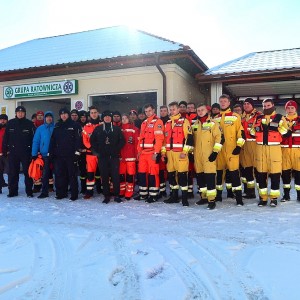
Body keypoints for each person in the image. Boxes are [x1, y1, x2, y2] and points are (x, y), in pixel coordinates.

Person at [250, 98, 290, 207]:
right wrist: (257, 129)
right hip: (260, 149)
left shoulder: (280, 118)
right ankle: (263, 198)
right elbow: (252, 132)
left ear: (272, 105)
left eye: (268, 105)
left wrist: (278, 128)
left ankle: (273, 199)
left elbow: (286, 133)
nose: (266, 107)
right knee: (261, 175)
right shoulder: (258, 118)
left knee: (275, 175)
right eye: (264, 106)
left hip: (274, 149)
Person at [214, 94, 245, 206]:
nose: (223, 103)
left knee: (234, 174)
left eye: (225, 101)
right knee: (219, 174)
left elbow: (241, 133)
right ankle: (218, 196)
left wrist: (238, 146)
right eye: (221, 101)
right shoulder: (215, 118)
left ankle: (239, 198)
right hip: (219, 150)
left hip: (232, 150)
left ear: (229, 103)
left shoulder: (235, 116)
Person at [162, 101, 194, 206]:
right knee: (171, 176)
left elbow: (189, 138)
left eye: (174, 109)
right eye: (170, 110)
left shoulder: (184, 121)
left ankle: (184, 198)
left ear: (178, 110)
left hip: (180, 154)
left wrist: (185, 152)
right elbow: (164, 141)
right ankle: (174, 196)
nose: (172, 111)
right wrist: (163, 153)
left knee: (182, 176)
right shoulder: (167, 123)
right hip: (170, 155)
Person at [192, 104, 223, 209]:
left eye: (202, 110)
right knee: (200, 178)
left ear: (207, 111)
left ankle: (211, 200)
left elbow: (219, 138)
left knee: (210, 178)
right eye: (198, 110)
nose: (200, 112)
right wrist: (191, 153)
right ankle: (203, 197)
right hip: (198, 156)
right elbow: (191, 140)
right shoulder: (195, 124)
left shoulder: (213, 123)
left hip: (209, 155)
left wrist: (215, 152)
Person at [90, 110, 125, 204]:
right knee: (104, 176)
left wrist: (116, 149)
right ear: (103, 118)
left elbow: (122, 141)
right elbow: (92, 141)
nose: (107, 118)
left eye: (109, 116)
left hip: (114, 157)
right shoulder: (98, 129)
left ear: (111, 118)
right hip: (102, 157)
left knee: (115, 176)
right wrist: (97, 151)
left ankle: (116, 195)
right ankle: (106, 195)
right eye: (105, 117)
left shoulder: (116, 129)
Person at [48, 107, 82, 201]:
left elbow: (78, 140)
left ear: (68, 115)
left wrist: (77, 152)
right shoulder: (57, 125)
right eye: (62, 114)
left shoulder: (75, 125)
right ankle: (61, 193)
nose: (63, 115)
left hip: (71, 155)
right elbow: (53, 140)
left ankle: (74, 194)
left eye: (65, 114)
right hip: (59, 155)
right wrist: (51, 152)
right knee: (59, 175)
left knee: (72, 175)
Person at [3, 106, 35, 197]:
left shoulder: (29, 124)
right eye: (18, 112)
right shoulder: (10, 123)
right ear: (16, 113)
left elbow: (34, 139)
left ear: (25, 113)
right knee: (13, 172)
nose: (20, 114)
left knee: (27, 173)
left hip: (26, 152)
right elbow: (6, 138)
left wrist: (33, 152)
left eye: (22, 112)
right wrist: (5, 150)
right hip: (13, 152)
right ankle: (13, 191)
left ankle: (29, 191)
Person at [134, 104, 164, 203]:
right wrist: (139, 151)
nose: (148, 113)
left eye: (149, 111)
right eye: (146, 111)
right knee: (142, 174)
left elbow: (159, 139)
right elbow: (140, 139)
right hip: (143, 153)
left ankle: (154, 195)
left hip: (152, 153)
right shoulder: (144, 123)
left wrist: (156, 152)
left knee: (153, 174)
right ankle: (143, 194)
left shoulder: (158, 121)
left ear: (153, 110)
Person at [240, 98, 261, 199]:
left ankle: (261, 192)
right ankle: (250, 192)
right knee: (247, 169)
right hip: (244, 146)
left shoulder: (259, 115)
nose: (246, 105)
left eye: (248, 104)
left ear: (252, 105)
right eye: (244, 104)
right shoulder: (241, 117)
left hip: (255, 145)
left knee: (258, 170)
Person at [31, 111, 55, 198]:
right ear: (45, 118)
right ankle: (44, 192)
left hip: (56, 154)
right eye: (47, 117)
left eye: (50, 117)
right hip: (45, 155)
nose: (49, 118)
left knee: (60, 173)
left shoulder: (56, 127)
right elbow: (36, 141)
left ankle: (60, 191)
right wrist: (34, 153)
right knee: (45, 174)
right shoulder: (40, 128)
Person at [280, 100, 300, 201]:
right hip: (284, 150)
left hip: (298, 151)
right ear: (285, 109)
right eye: (288, 108)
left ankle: (299, 195)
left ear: (296, 109)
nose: (290, 110)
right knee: (285, 174)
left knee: (299, 174)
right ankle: (286, 195)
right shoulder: (281, 121)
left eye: (292, 108)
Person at [82, 106, 102, 199]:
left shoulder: (103, 125)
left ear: (98, 113)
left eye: (95, 112)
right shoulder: (86, 126)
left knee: (104, 172)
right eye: (92, 113)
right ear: (89, 115)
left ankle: (103, 189)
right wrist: (91, 148)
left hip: (101, 153)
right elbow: (85, 140)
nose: (94, 114)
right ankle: (89, 191)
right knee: (90, 172)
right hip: (90, 153)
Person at [120, 113, 139, 200]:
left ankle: (129, 192)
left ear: (129, 119)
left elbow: (136, 144)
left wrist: (136, 155)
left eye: (125, 118)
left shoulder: (134, 129)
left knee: (130, 175)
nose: (124, 120)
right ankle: (121, 191)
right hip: (121, 157)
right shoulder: (118, 129)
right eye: (122, 118)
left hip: (131, 157)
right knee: (121, 175)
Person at [158, 105, 170, 198]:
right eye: (161, 111)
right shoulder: (158, 122)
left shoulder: (170, 121)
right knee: (161, 171)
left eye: (164, 111)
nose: (163, 112)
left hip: (170, 149)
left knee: (170, 171)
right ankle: (162, 191)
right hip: (160, 149)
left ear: (167, 111)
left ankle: (172, 190)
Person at [0, 114, 9, 193]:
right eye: (1, 119)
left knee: (10, 171)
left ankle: (12, 188)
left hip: (7, 154)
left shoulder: (9, 129)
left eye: (4, 119)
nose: (2, 121)